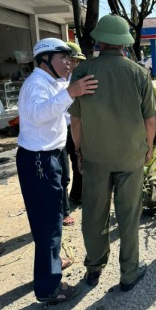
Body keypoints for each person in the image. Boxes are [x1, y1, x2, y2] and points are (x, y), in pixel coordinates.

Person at [68, 14, 156, 291]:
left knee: (94, 213)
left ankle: (94, 267)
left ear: (99, 41)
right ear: (123, 44)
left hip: (96, 157)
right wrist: (148, 147)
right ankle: (129, 272)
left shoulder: (83, 72)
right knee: (129, 215)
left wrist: (80, 151)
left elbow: (77, 121)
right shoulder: (138, 72)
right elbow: (150, 120)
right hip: (131, 156)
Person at [16, 38, 98, 303]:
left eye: (69, 58)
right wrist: (70, 93)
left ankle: (50, 264)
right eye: (62, 57)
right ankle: (49, 288)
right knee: (48, 223)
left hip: (50, 155)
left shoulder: (55, 82)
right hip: (38, 160)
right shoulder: (36, 84)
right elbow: (39, 114)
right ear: (44, 60)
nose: (68, 63)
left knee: (50, 218)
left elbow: (61, 114)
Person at [64, 41, 86, 207]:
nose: (75, 64)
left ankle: (77, 195)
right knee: (61, 169)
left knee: (77, 161)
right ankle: (62, 203)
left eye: (77, 61)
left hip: (73, 127)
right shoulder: (54, 80)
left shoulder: (77, 79)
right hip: (58, 128)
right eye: (73, 60)